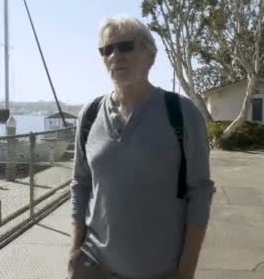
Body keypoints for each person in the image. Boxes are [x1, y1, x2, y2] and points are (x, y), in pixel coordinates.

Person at [68, 15, 215, 279]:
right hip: (92, 265)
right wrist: (73, 255)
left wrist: (186, 271)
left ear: (150, 56)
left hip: (159, 270)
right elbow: (80, 183)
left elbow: (200, 192)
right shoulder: (89, 115)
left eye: (125, 46)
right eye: (106, 49)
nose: (115, 55)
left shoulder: (181, 113)